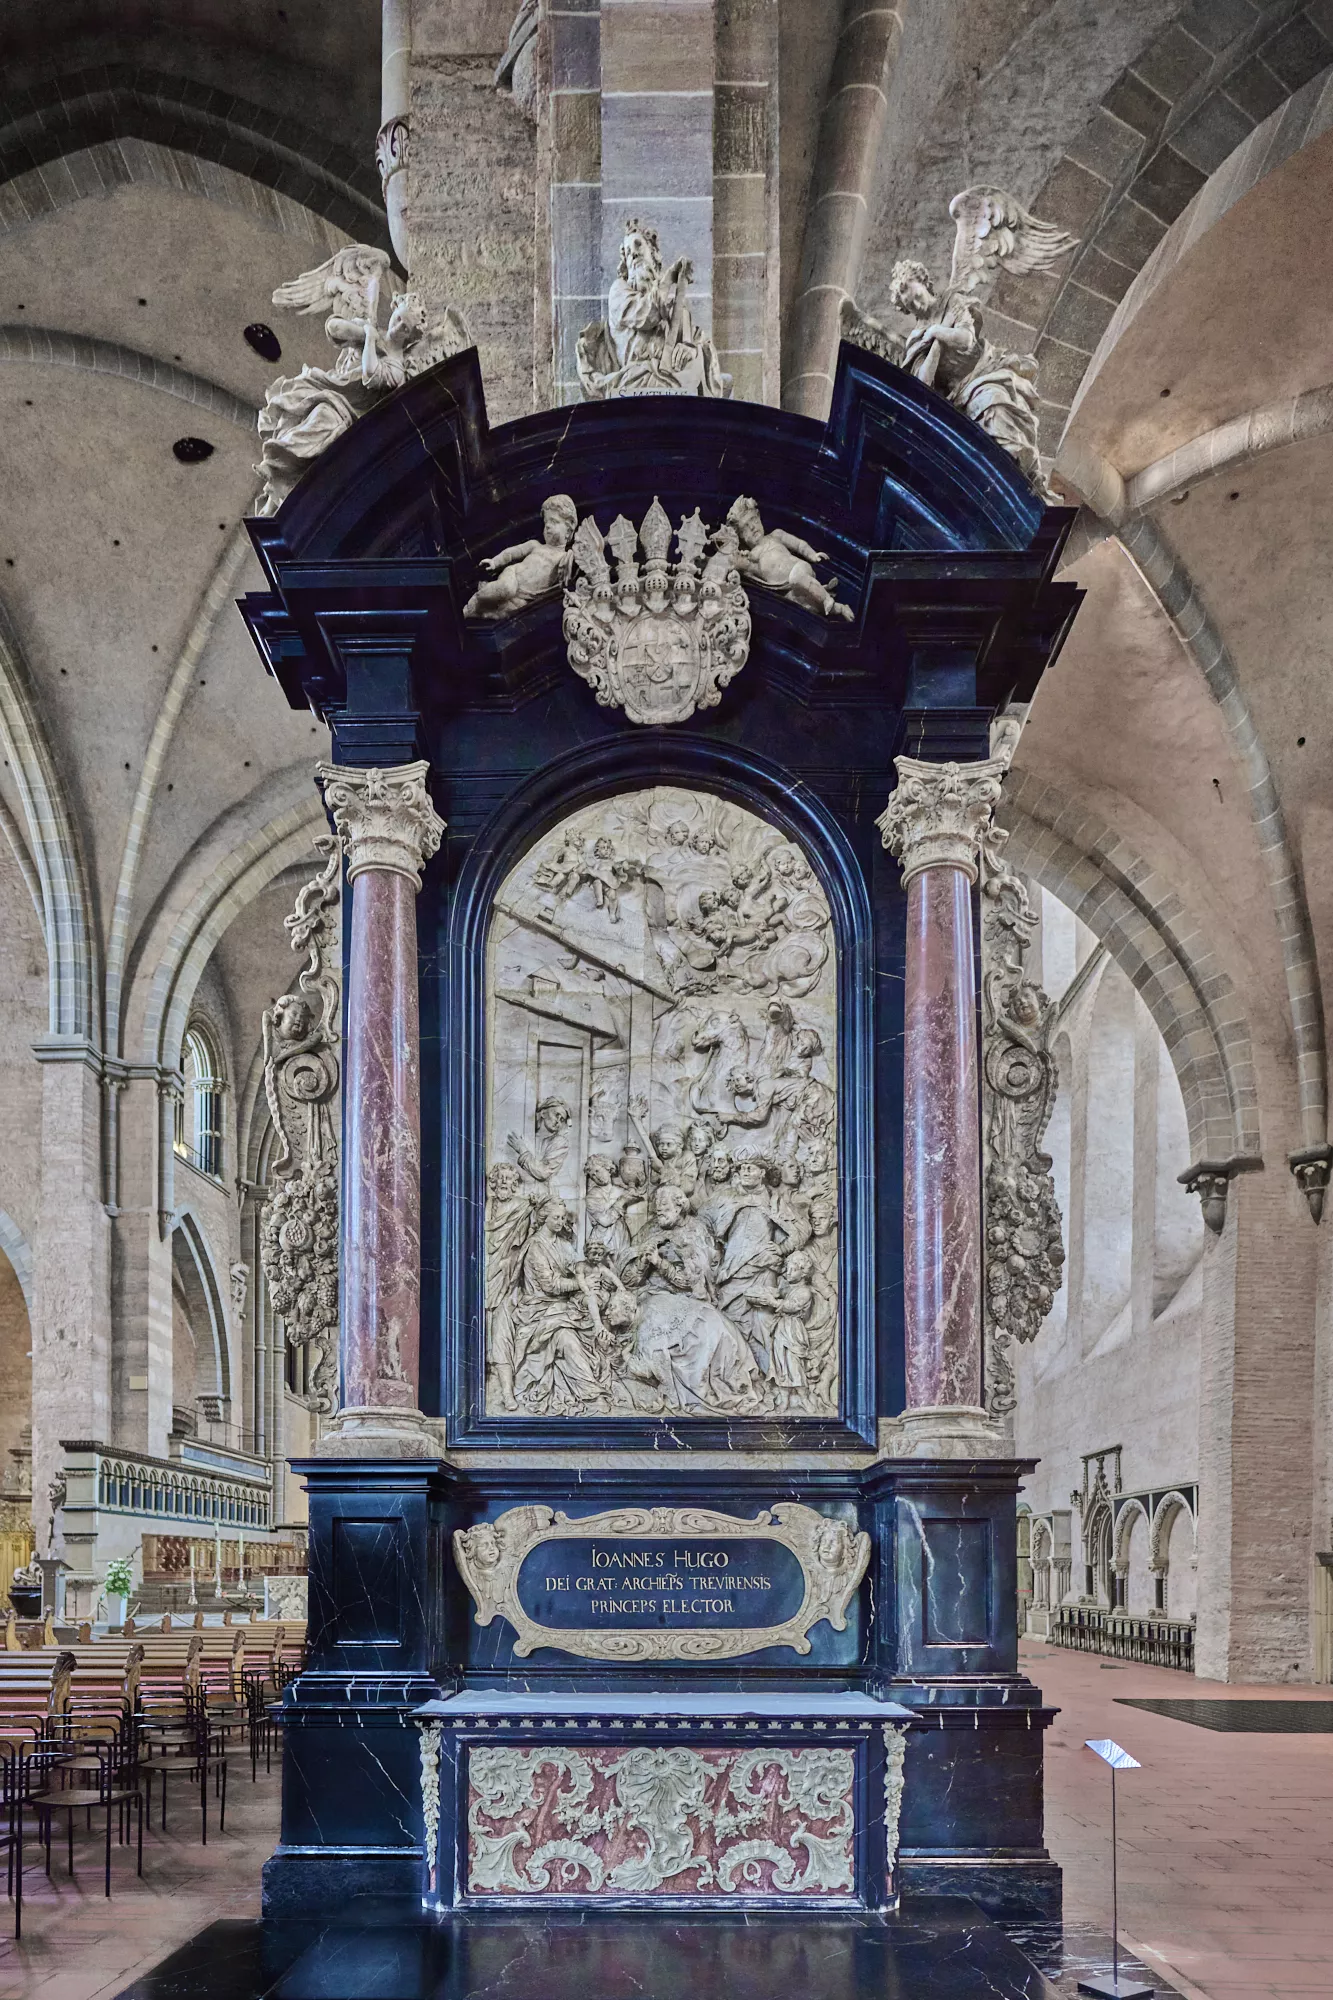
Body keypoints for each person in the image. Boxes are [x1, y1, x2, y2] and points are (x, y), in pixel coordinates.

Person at [463, 494, 578, 619]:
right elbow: (512, 553)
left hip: (526, 596)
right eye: (546, 522)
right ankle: (475, 601)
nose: (548, 526)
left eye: (554, 521)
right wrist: (495, 562)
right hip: (513, 576)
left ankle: (483, 611)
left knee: (507, 612)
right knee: (506, 589)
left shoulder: (565, 558)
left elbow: (577, 564)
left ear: (568, 530)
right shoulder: (535, 545)